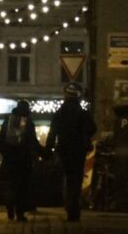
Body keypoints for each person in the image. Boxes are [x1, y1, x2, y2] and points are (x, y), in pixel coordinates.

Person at [46, 83, 97, 221]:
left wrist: (47, 151)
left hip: (64, 150)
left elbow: (52, 133)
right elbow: (93, 128)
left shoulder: (59, 113)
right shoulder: (82, 113)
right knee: (77, 180)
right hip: (79, 150)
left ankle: (69, 207)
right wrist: (84, 135)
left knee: (68, 179)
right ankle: (75, 208)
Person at [0, 100, 40, 221]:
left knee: (11, 185)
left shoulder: (7, 122)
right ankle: (20, 213)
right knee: (22, 187)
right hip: (24, 161)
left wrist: (6, 154)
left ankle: (10, 206)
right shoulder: (29, 123)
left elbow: (0, 142)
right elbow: (33, 142)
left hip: (9, 161)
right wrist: (40, 153)